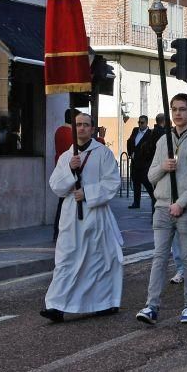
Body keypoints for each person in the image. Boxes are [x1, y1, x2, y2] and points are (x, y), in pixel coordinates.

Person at [136, 94, 187, 326]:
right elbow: (150, 176)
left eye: (182, 109)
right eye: (174, 110)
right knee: (159, 256)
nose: (178, 114)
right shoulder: (163, 141)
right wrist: (163, 166)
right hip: (161, 206)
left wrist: (182, 202)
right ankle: (151, 306)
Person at [40, 112, 122, 323]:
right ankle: (56, 306)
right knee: (65, 260)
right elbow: (56, 186)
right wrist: (69, 169)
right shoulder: (67, 157)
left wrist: (88, 193)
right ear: (73, 129)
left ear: (93, 129)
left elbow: (113, 182)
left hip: (96, 215)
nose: (82, 128)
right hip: (71, 217)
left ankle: (104, 302)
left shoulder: (103, 153)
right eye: (78, 125)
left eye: (86, 125)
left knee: (99, 261)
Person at [51, 108, 76, 243]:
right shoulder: (71, 134)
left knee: (61, 202)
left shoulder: (59, 131)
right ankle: (61, 231)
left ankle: (56, 231)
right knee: (66, 204)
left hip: (59, 169)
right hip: (69, 171)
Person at [127, 115, 156, 210]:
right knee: (135, 182)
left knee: (147, 183)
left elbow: (151, 149)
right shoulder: (135, 130)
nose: (140, 124)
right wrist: (131, 153)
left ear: (147, 123)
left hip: (144, 164)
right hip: (135, 162)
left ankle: (155, 199)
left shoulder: (150, 133)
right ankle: (136, 202)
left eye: (142, 122)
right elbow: (130, 142)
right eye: (139, 122)